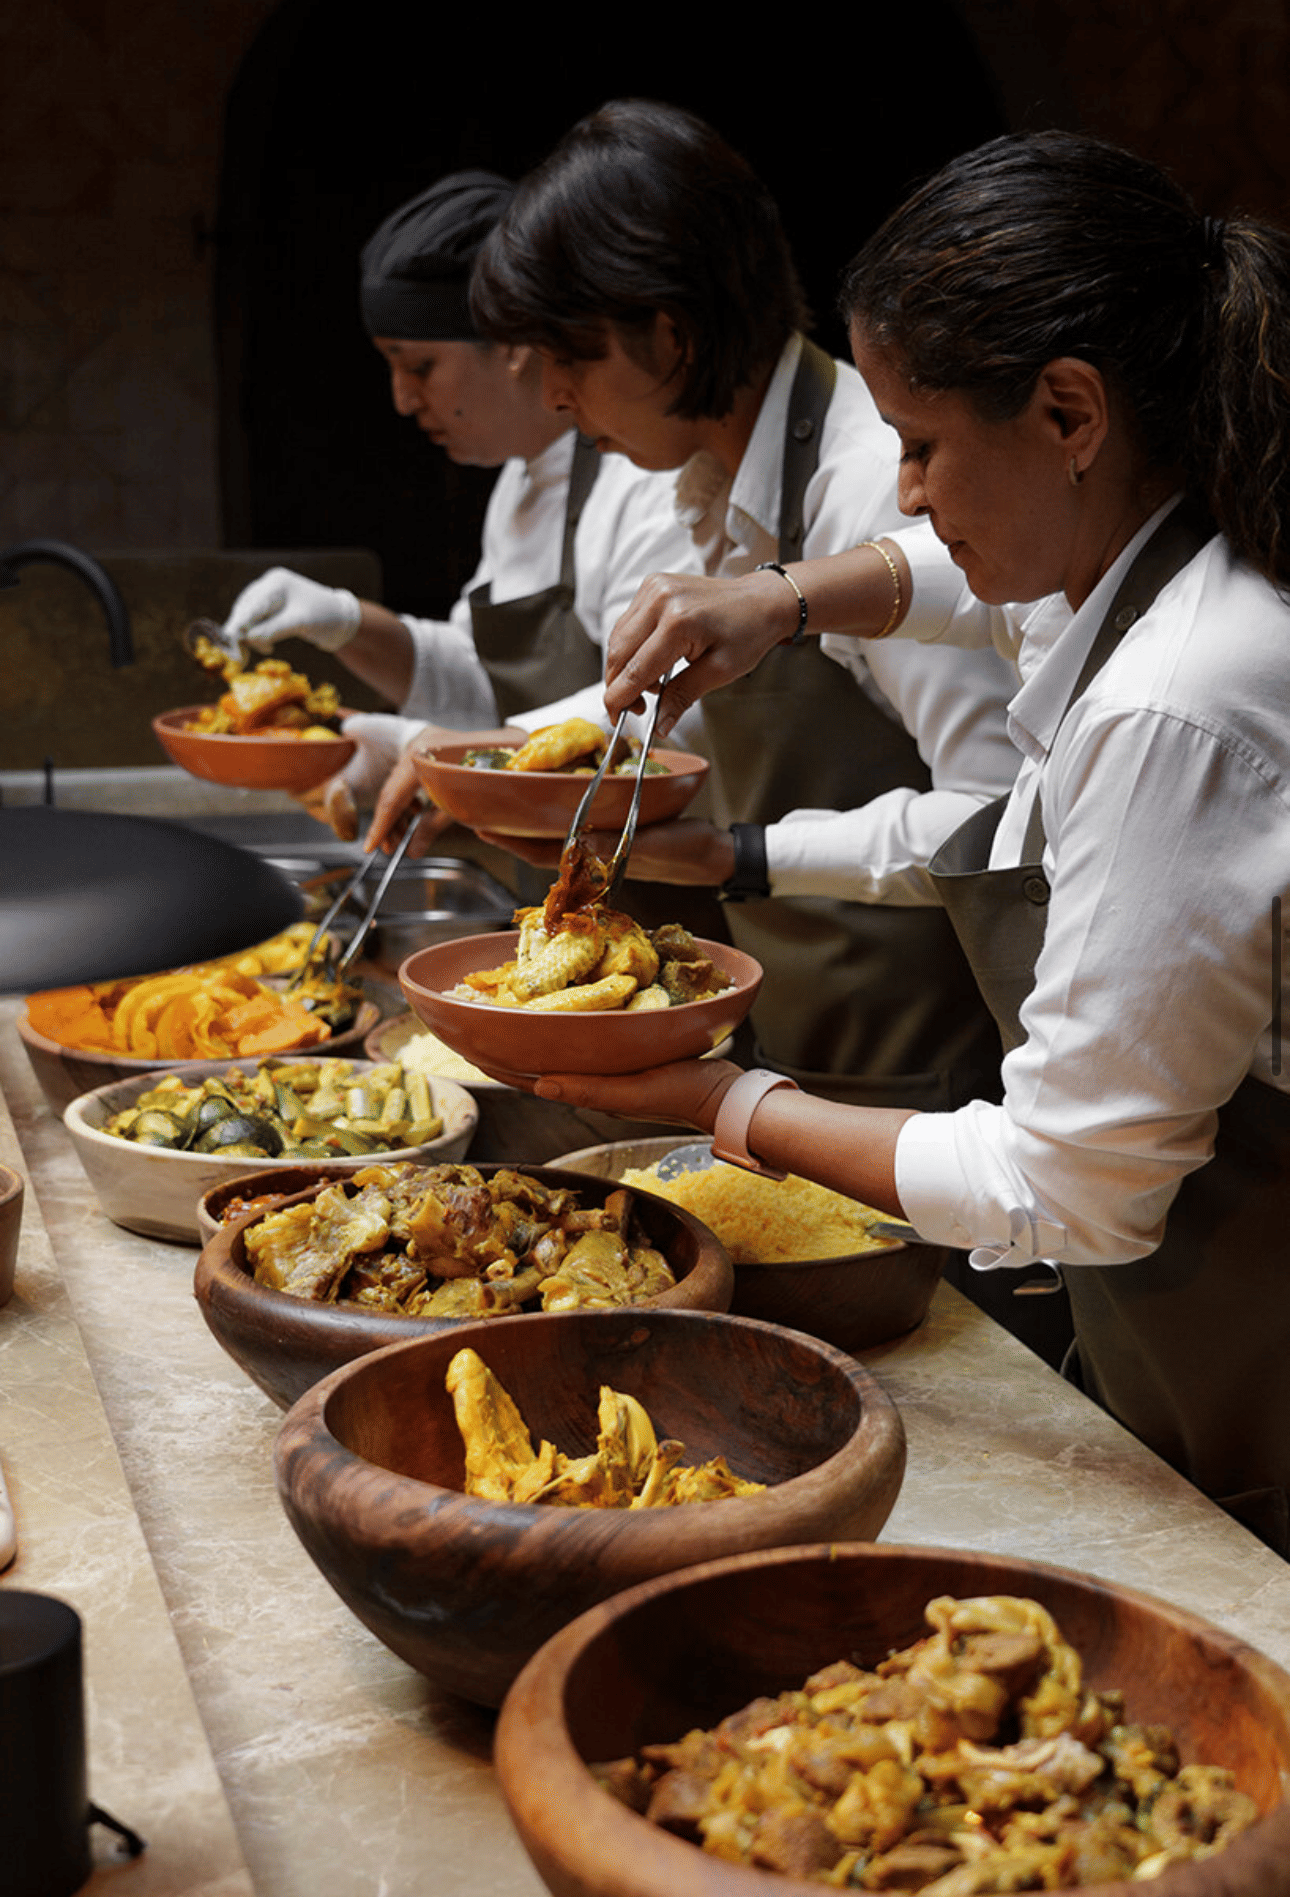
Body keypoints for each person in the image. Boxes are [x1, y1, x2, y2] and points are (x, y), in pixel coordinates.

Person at [532, 131, 1290, 1555]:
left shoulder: (1174, 701)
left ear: (1069, 412)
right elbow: (965, 585)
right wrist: (779, 605)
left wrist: (716, 1103)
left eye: (921, 444)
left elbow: (1061, 1183)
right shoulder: (1158, 536)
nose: (900, 491)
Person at [460, 99, 1019, 1114]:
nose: (553, 398)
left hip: (924, 1081)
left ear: (668, 335)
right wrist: (464, 764)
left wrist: (746, 855)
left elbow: (1001, 820)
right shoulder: (710, 484)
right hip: (801, 1044)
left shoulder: (863, 482)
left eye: (571, 356)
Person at [217, 168, 699, 842]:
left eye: (419, 366)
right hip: (560, 856)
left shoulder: (642, 480)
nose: (402, 400)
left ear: (511, 345)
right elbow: (480, 688)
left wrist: (439, 753)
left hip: (659, 864)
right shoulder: (519, 481)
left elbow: (653, 708)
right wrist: (344, 621)